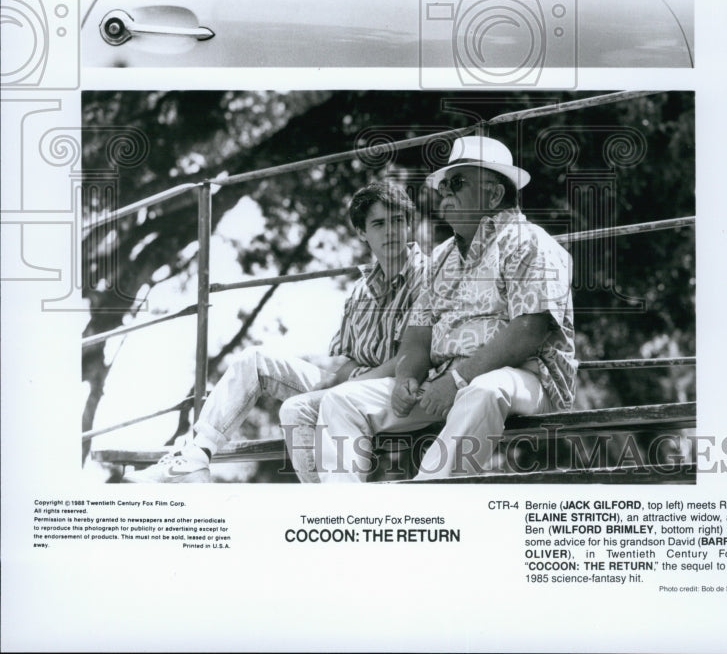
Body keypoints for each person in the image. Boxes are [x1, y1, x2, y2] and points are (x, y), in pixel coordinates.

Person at [124, 181, 426, 484]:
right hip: (351, 384)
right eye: (379, 224)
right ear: (362, 233)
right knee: (254, 360)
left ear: (409, 224)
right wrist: (332, 384)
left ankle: (332, 507)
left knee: (297, 409)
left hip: (396, 388)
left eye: (398, 220)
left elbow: (411, 357)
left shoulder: (425, 274)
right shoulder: (361, 290)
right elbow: (350, 360)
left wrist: (336, 391)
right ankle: (196, 456)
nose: (390, 231)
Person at [314, 136, 576, 482]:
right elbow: (418, 331)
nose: (444, 193)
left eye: (456, 183)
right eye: (442, 186)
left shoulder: (531, 241)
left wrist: (457, 379)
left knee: (485, 390)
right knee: (341, 400)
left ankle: (428, 504)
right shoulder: (442, 256)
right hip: (444, 382)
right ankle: (346, 516)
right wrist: (407, 377)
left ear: (494, 194)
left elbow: (529, 329)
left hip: (526, 376)